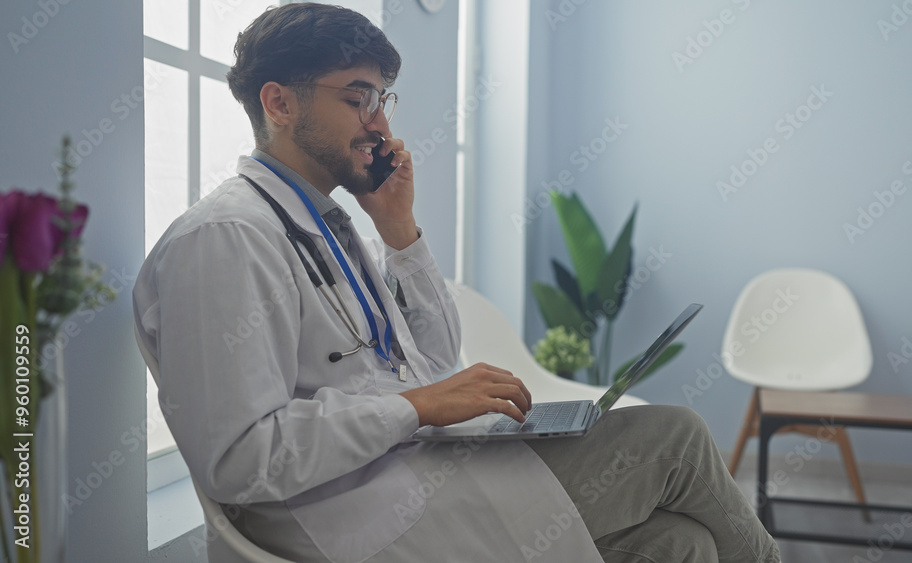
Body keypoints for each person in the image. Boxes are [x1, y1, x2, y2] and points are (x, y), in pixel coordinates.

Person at [133, 4, 781, 562]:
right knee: (676, 438)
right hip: (351, 515)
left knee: (681, 542)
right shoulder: (224, 236)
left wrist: (400, 231)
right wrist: (415, 407)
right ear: (279, 103)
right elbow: (241, 459)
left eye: (382, 101)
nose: (379, 125)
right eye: (357, 98)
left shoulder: (329, 227)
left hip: (413, 472)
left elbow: (432, 362)